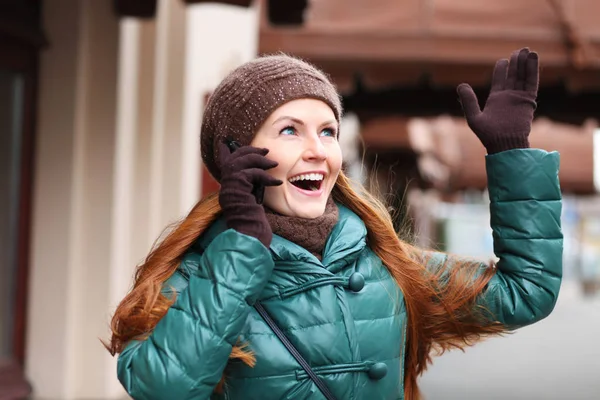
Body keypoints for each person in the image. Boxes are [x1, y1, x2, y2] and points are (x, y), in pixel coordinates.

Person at [106, 48, 562, 399]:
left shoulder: (389, 265)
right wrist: (242, 248)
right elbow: (161, 388)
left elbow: (526, 294)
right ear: (235, 155)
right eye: (290, 130)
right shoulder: (198, 276)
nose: (318, 150)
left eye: (328, 131)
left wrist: (510, 153)